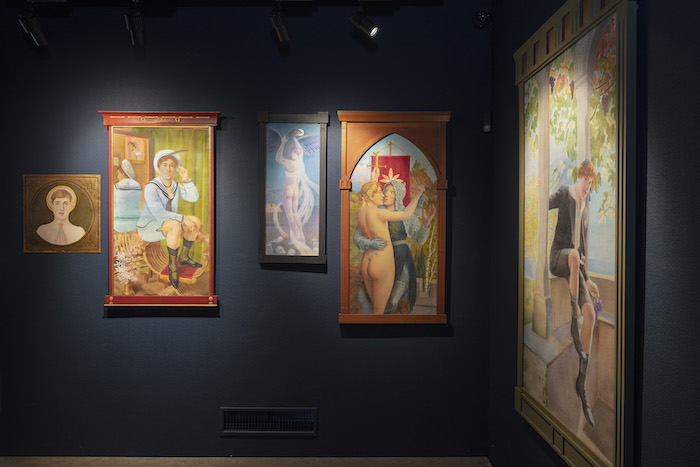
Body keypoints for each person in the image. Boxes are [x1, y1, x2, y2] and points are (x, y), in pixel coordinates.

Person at [549, 159, 600, 427]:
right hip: (559, 257)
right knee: (571, 256)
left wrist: (588, 279)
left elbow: (583, 251)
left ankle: (582, 380)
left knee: (591, 314)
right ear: (578, 177)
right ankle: (572, 321)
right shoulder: (565, 193)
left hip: (575, 266)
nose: (587, 186)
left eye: (590, 182)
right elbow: (543, 203)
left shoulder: (586, 208)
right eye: (584, 180)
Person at [353, 180, 435, 314]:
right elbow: (357, 237)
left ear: (398, 195)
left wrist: (425, 225)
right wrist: (370, 243)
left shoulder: (405, 214)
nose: (386, 194)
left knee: (392, 301)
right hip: (380, 260)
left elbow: (419, 239)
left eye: (391, 192)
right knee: (365, 298)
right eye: (385, 190)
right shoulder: (375, 211)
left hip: (401, 259)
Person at [136, 149, 203, 289]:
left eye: (172, 165)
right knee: (175, 225)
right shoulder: (151, 187)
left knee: (195, 221)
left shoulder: (176, 186)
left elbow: (193, 197)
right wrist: (182, 219)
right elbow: (159, 213)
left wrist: (186, 178)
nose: (168, 169)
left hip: (169, 222)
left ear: (176, 168)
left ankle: (184, 257)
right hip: (149, 226)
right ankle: (172, 266)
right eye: (165, 165)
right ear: (158, 167)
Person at [274, 129, 319, 255]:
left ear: (297, 154)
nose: (291, 152)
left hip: (288, 191)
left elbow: (278, 158)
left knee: (290, 215)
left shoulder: (290, 163)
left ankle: (295, 238)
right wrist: (294, 138)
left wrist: (283, 143)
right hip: (295, 191)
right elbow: (301, 150)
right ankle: (300, 236)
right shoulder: (300, 163)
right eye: (291, 151)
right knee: (295, 214)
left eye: (294, 151)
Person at [113, 159, 142, 233]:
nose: (117, 177)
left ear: (122, 173)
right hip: (136, 224)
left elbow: (113, 205)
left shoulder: (116, 187)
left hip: (119, 225)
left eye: (118, 174)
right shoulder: (138, 186)